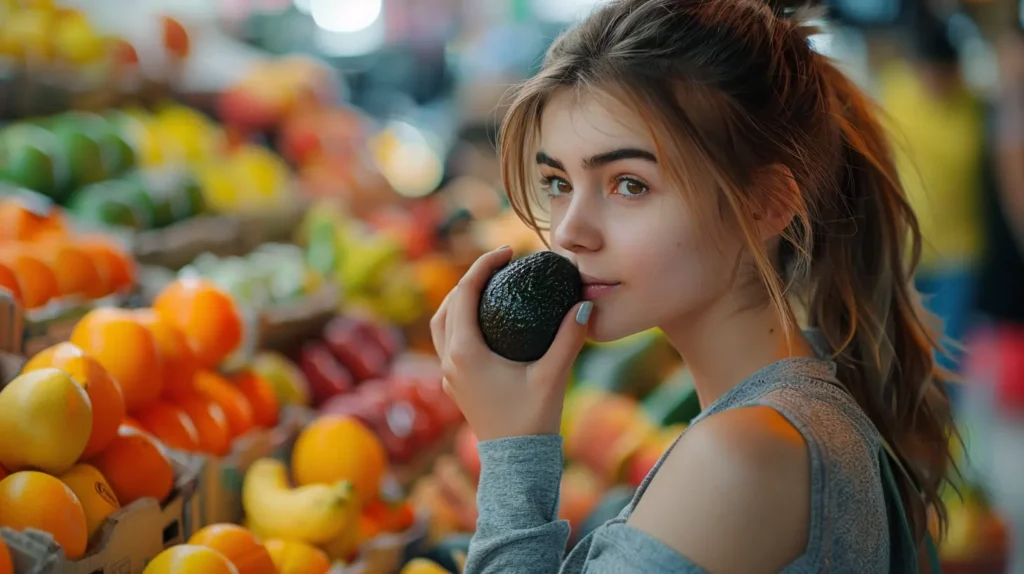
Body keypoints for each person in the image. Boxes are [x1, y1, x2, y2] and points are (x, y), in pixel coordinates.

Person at [430, 0, 956, 572]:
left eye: (629, 184)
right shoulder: (785, 418)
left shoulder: (741, 458)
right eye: (558, 181)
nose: (569, 231)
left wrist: (512, 452)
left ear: (766, 204)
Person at [879, 14, 986, 379]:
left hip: (959, 252)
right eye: (929, 72)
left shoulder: (973, 107)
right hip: (906, 249)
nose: (935, 81)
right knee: (902, 353)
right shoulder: (894, 93)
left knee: (947, 356)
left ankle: (943, 431)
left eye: (943, 73)